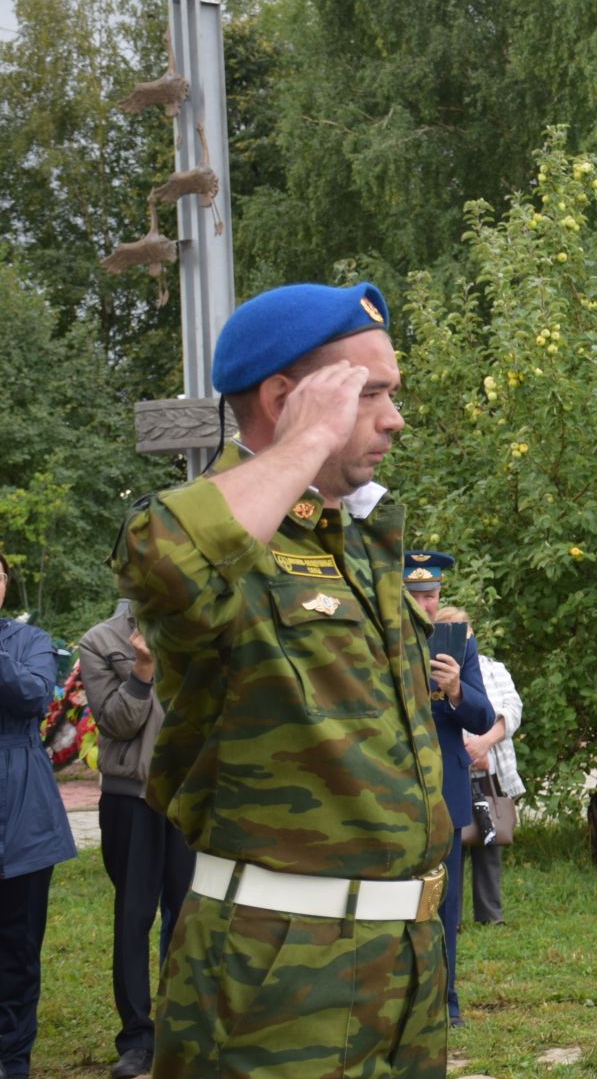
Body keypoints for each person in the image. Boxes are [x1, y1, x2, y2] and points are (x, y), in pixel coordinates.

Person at [111, 281, 454, 1079]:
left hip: (404, 963)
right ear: (282, 396)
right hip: (275, 972)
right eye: (369, 394)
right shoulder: (222, 540)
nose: (394, 419)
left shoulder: (357, 543)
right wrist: (302, 443)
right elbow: (161, 561)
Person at [74, 599, 195, 1079]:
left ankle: (184, 1026)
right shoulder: (100, 641)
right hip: (132, 798)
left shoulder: (195, 625)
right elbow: (116, 723)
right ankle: (137, 1039)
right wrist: (142, 669)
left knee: (189, 915)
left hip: (189, 796)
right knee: (134, 917)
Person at [402, 551, 495, 1028]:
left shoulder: (456, 644)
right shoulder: (381, 640)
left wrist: (457, 689)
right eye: (414, 596)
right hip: (393, 793)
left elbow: (483, 717)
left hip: (445, 789)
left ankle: (446, 1002)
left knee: (446, 902)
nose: (424, 605)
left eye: (431, 595)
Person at [1, 554, 79, 1079]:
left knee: (16, 945)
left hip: (21, 809)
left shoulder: (29, 641)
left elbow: (31, 696)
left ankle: (11, 1057)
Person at [463, 649, 524, 926]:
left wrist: (483, 744)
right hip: (450, 770)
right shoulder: (429, 666)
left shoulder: (492, 668)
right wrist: (464, 754)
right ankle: (448, 917)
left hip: (490, 769)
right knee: (450, 846)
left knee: (490, 839)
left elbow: (511, 709)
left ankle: (490, 917)